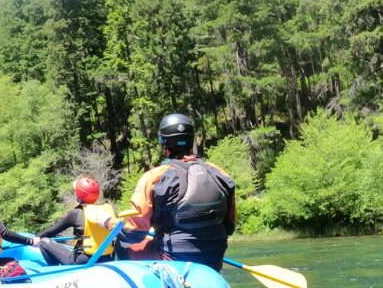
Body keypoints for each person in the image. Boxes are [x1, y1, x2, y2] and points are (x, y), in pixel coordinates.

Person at [117, 113, 236, 271]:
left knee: (121, 244)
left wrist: (116, 231)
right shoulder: (220, 173)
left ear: (163, 143)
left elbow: (134, 233)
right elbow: (229, 226)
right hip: (214, 258)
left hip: (172, 258)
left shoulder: (155, 177)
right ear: (191, 139)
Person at [34, 177, 118, 266]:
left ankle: (56, 271)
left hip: (84, 260)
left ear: (78, 194)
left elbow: (50, 232)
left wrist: (33, 239)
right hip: (108, 257)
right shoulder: (107, 209)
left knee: (43, 241)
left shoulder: (76, 214)